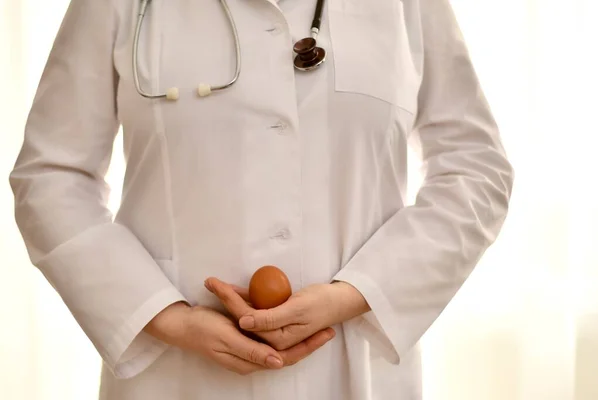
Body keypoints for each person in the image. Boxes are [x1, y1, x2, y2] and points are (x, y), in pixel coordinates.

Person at [9, 0, 514, 398]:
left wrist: (360, 291)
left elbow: (475, 169)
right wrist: (161, 315)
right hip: (174, 378)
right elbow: (51, 175)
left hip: (352, 369)